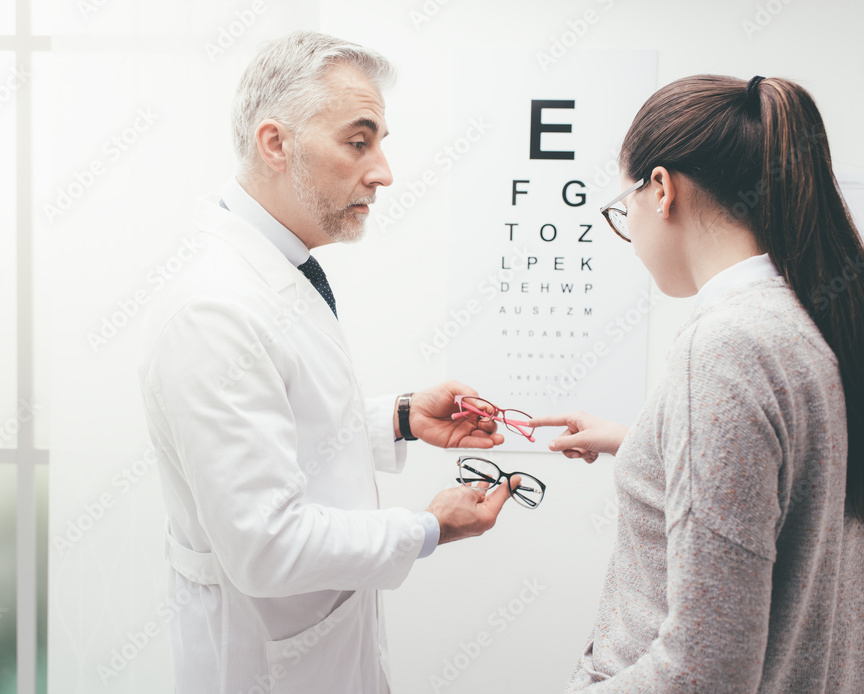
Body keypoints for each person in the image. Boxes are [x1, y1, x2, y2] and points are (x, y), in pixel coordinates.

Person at [136, 31, 518, 694]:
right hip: (262, 665)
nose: (384, 172)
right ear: (276, 144)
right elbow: (266, 547)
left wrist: (398, 419)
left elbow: (284, 418)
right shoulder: (215, 308)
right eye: (358, 140)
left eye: (380, 142)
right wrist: (429, 527)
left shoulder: (280, 267)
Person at [534, 75, 864, 692]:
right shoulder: (818, 320)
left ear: (660, 190)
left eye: (619, 211)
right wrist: (643, 444)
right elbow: (793, 479)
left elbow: (706, 667)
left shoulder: (725, 346)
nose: (627, 235)